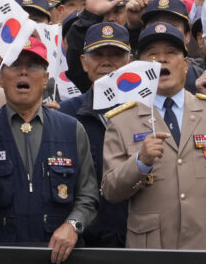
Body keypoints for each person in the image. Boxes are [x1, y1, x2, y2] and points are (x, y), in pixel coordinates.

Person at [101, 22, 206, 250]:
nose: (162, 60)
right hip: (152, 250)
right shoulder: (122, 120)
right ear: (138, 66)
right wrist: (139, 163)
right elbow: (110, 190)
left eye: (171, 53)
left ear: (185, 64)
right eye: (152, 54)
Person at [0, 37, 98, 262]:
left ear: (46, 78)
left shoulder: (71, 128)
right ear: (1, 77)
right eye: (15, 65)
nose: (23, 72)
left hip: (59, 255)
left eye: (33, 65)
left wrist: (73, 226)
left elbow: (89, 195)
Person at [60, 20, 132, 247]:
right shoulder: (65, 114)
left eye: (116, 54)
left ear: (130, 61)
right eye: (98, 54)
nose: (107, 62)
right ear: (83, 62)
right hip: (82, 239)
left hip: (137, 237)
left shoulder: (148, 112)